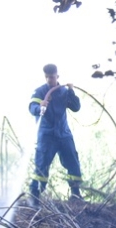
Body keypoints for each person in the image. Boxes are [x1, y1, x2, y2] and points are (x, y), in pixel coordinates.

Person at [28, 63, 84, 204]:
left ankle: (76, 194)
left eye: (52, 77)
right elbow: (32, 107)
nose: (49, 80)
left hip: (64, 134)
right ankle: (35, 196)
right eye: (47, 77)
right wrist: (40, 107)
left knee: (73, 162)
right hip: (47, 136)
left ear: (57, 76)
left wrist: (71, 91)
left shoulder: (64, 91)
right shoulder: (40, 92)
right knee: (42, 165)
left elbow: (76, 107)